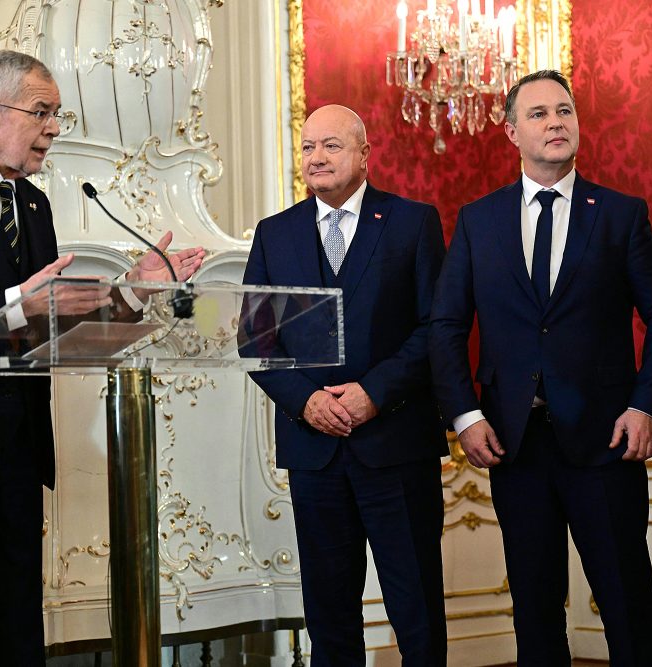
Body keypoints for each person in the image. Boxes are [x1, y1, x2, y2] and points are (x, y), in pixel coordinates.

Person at [0, 50, 204, 665]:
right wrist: (15, 301)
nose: (54, 128)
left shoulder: (33, 205)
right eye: (42, 112)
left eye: (58, 114)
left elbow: (51, 326)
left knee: (19, 636)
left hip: (17, 453)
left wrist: (133, 290)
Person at [429, 70, 652, 666]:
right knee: (535, 606)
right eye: (538, 113)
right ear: (512, 131)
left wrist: (647, 406)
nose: (556, 121)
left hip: (606, 440)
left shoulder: (620, 215)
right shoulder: (478, 220)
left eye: (564, 110)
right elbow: (445, 326)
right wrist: (465, 415)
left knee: (626, 599)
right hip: (514, 444)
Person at [243, 104, 448, 665]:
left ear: (364, 153)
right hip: (315, 455)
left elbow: (437, 327)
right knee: (329, 614)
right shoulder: (274, 234)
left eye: (332, 145)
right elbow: (256, 342)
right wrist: (307, 401)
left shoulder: (412, 222)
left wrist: (373, 394)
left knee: (417, 608)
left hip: (397, 447)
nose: (317, 157)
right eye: (308, 147)